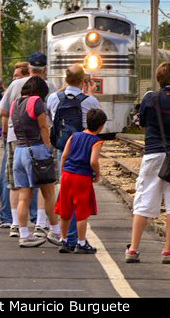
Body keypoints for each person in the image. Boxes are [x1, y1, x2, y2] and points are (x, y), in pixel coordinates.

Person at [125, 63, 170, 264]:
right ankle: (167, 251)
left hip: (153, 154)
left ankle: (133, 249)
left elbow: (141, 125)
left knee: (143, 200)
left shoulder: (150, 99)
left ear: (158, 79)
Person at [9, 76, 61, 247]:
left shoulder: (15, 103)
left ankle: (24, 234)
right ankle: (55, 231)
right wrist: (47, 147)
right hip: (36, 150)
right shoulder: (36, 101)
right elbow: (43, 127)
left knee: (24, 196)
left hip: (19, 151)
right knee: (48, 194)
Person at [0, 55, 46, 235]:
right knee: (43, 182)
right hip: (40, 140)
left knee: (14, 183)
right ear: (45, 69)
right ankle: (41, 222)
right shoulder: (48, 85)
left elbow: (2, 110)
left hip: (15, 138)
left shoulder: (15, 85)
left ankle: (14, 223)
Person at [55, 108, 106, 254]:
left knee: (65, 210)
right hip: (82, 177)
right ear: (101, 126)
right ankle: (81, 243)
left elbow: (64, 155)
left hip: (67, 175)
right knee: (81, 211)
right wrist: (97, 174)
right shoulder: (96, 141)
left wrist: (63, 172)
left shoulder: (74, 136)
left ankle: (63, 241)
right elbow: (93, 162)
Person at [45, 65, 101, 168]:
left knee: (64, 176)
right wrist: (91, 94)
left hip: (62, 143)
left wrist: (63, 88)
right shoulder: (90, 101)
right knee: (82, 177)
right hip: (83, 147)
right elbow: (98, 121)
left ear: (66, 79)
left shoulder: (53, 98)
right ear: (83, 80)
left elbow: (48, 117)